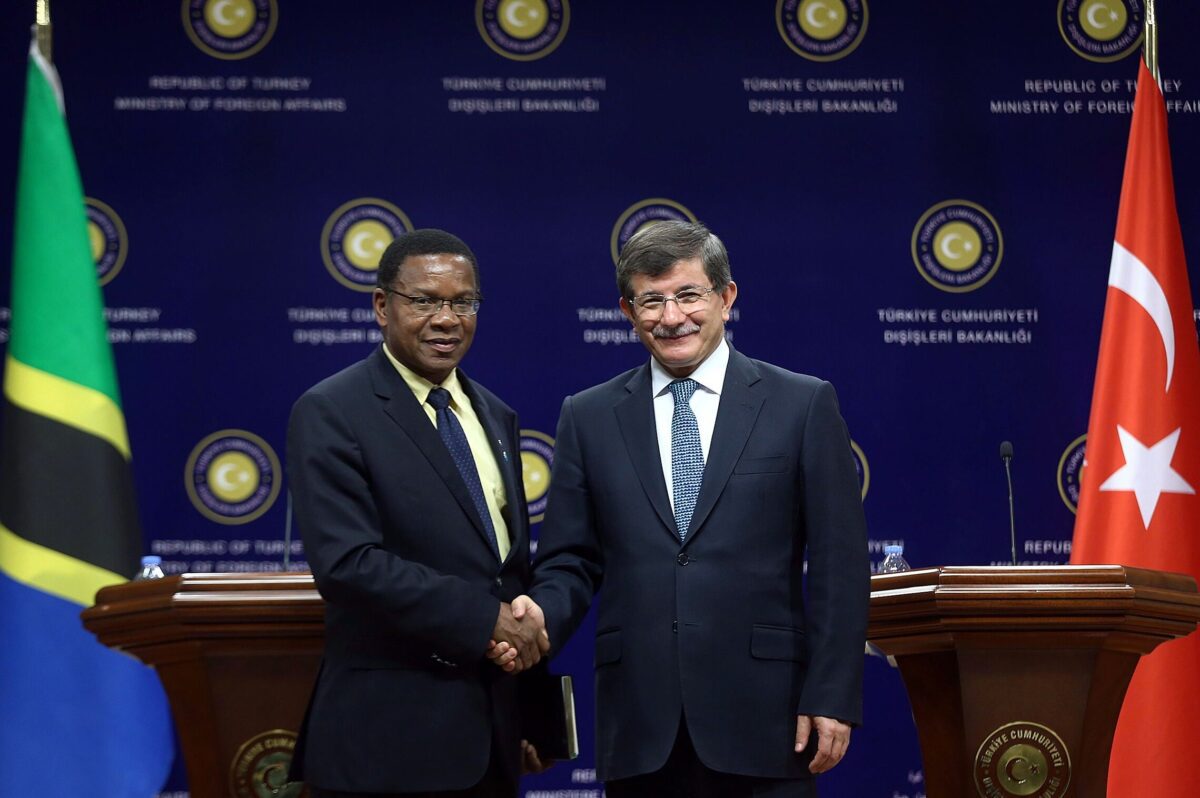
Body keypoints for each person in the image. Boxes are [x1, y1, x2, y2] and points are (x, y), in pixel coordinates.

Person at [497, 220, 869, 796]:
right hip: (641, 726)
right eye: (651, 301)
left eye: (688, 294)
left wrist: (832, 693)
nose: (671, 318)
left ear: (726, 296)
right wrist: (538, 619)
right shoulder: (589, 416)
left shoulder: (802, 404)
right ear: (627, 310)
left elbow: (840, 565)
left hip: (769, 720)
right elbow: (570, 559)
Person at [287, 229, 549, 798]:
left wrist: (529, 708)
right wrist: (485, 620)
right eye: (425, 300)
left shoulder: (495, 414)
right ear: (383, 306)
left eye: (463, 302)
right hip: (389, 745)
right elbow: (349, 564)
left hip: (493, 744)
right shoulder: (333, 411)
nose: (447, 318)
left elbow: (505, 570)